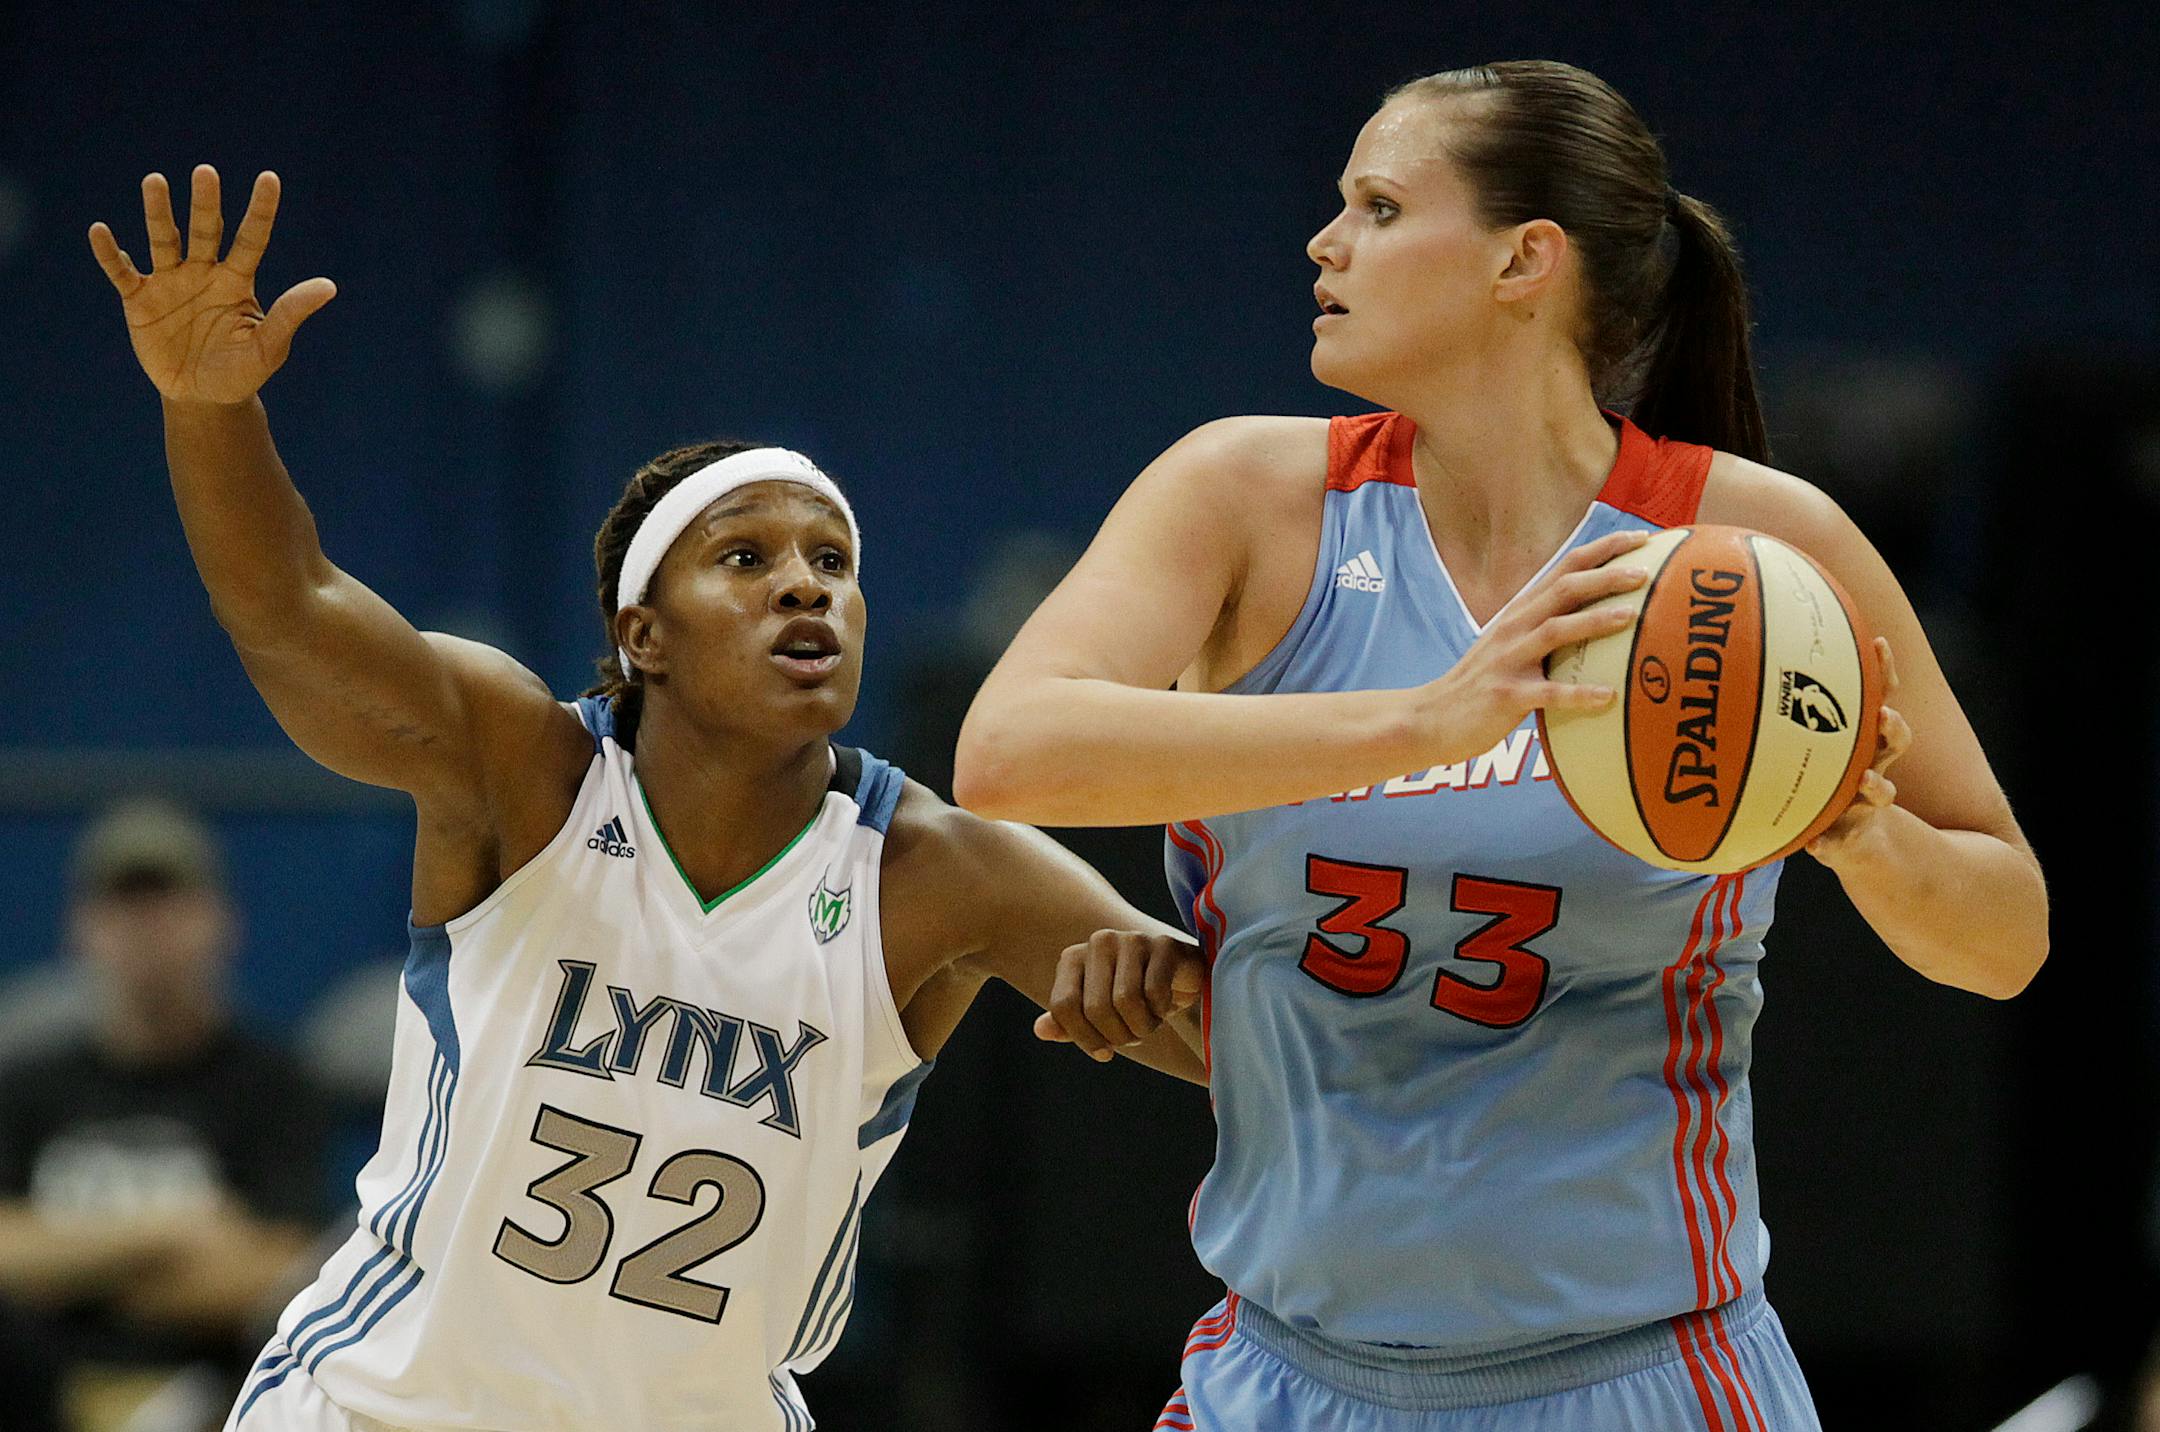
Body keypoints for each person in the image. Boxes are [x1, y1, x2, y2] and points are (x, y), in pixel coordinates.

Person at [954, 60, 2049, 1432]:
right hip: (1289, 1374)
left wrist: (1861, 832)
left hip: (1643, 1378)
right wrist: (1423, 728)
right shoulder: (1246, 493)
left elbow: (2007, 938)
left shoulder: (1757, 552)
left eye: (1379, 204)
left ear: (1524, 260)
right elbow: (1004, 753)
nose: (1324, 241)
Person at [87, 165, 1206, 1432]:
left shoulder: (937, 870)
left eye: (831, 563)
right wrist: (207, 407)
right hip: (383, 1410)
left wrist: (1170, 994)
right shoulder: (526, 769)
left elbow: (1233, 1043)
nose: (806, 590)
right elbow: (292, 613)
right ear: (644, 632)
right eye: (748, 559)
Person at [0, 799, 334, 1428]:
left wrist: (63, 1270)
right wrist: (171, 1233)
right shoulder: (28, 1084)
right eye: (123, 904)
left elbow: (282, 1275)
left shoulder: (274, 1087)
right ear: (80, 928)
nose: (146, 927)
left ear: (222, 921)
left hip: (215, 1394)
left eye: (169, 902)